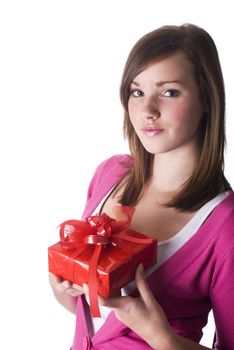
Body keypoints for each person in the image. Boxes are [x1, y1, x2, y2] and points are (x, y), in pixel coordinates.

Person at [49, 23, 234, 349]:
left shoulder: (225, 226)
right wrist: (67, 291)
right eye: (137, 92)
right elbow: (96, 321)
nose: (147, 110)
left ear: (207, 98)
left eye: (169, 92)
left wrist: (161, 337)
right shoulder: (109, 174)